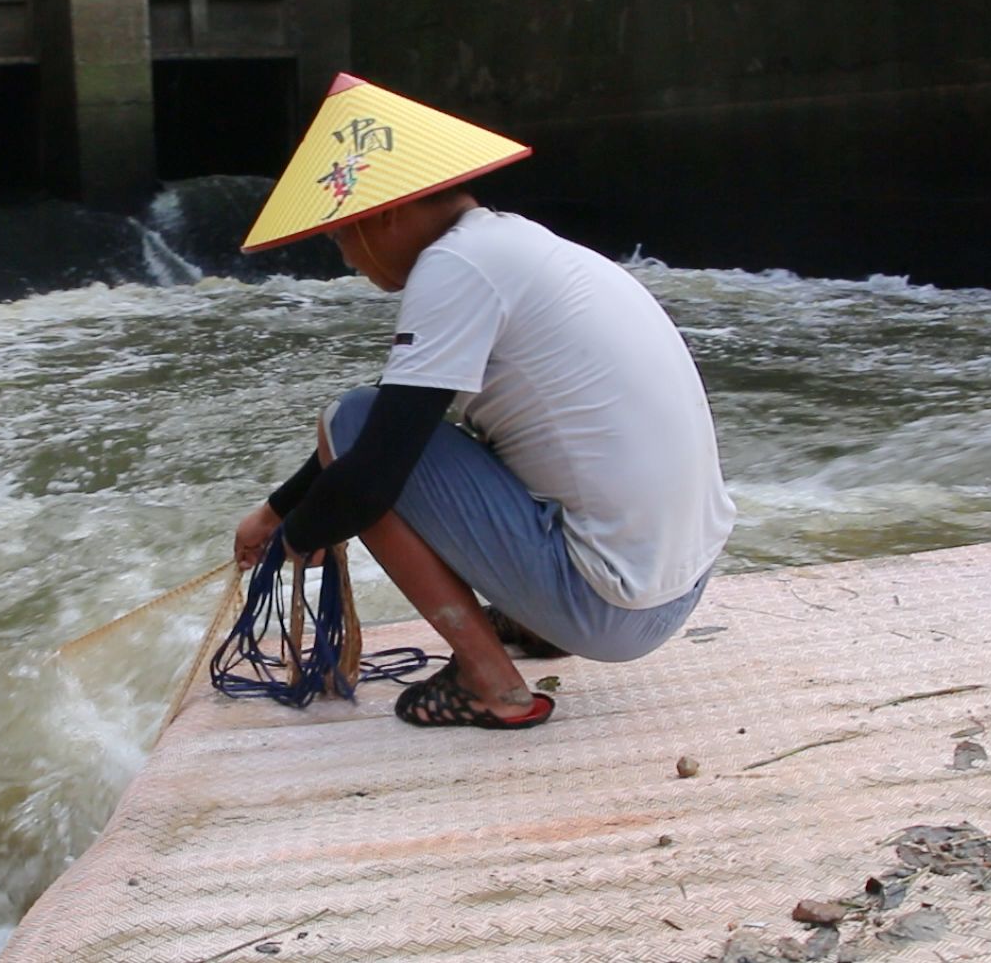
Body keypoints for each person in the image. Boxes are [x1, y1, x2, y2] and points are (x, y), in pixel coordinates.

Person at [232, 75, 735, 730]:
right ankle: (537, 625)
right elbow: (403, 417)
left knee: (347, 420)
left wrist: (296, 540)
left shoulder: (454, 269)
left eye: (341, 240)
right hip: (679, 586)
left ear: (383, 216)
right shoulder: (509, 244)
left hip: (615, 608)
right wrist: (277, 510)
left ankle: (490, 684)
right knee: (378, 425)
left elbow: (371, 468)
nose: (350, 261)